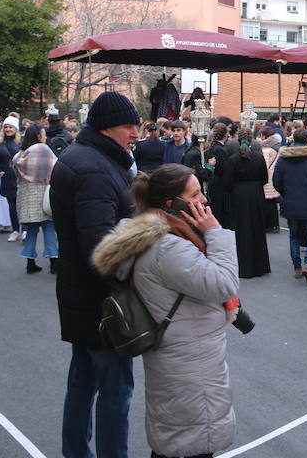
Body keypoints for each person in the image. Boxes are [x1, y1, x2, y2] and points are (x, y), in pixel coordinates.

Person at [92, 164, 239, 458]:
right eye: (195, 194)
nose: (204, 201)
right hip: (189, 363)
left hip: (182, 355)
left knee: (177, 439)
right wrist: (216, 233)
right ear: (173, 203)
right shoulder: (169, 246)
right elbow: (224, 284)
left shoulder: (160, 236)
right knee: (190, 442)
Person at [50, 90, 140, 458]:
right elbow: (102, 246)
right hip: (103, 302)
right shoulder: (94, 168)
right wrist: (146, 228)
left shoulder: (92, 159)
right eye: (128, 125)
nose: (136, 132)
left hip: (83, 296)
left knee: (83, 383)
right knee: (115, 392)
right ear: (106, 128)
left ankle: (75, 452)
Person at [273, 129, 307, 283]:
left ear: (293, 139)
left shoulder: (283, 159)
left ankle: (297, 266)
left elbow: (276, 182)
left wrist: (286, 194)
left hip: (291, 202)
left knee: (294, 235)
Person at [220, 129, 270, 279]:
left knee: (241, 230)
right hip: (256, 195)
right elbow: (265, 179)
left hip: (239, 196)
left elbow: (226, 183)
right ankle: (259, 266)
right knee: (257, 228)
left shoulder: (233, 160)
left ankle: (244, 267)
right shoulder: (259, 157)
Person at [12, 124, 59, 274]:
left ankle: (30, 263)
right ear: (39, 136)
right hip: (43, 195)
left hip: (26, 197)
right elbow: (55, 166)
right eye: (44, 134)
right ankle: (54, 262)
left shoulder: (20, 154)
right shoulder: (43, 149)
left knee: (31, 231)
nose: (45, 137)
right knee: (49, 229)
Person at [0, 116, 22, 242]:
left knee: (22, 206)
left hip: (20, 178)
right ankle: (15, 229)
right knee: (12, 207)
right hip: (7, 178)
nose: (8, 129)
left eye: (10, 127)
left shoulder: (21, 142)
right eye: (6, 127)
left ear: (15, 128)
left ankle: (25, 230)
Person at [205, 123, 231, 229]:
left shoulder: (215, 146)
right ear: (225, 134)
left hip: (215, 182)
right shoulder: (219, 149)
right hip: (218, 183)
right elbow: (223, 168)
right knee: (219, 209)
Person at [259, 128, 282, 233]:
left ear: (264, 136)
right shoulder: (276, 147)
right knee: (272, 204)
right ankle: (275, 225)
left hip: (267, 180)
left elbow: (264, 166)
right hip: (273, 178)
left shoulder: (266, 149)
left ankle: (269, 225)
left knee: (267, 203)